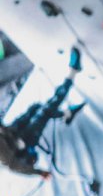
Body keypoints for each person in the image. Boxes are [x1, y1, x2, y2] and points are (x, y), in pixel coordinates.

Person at [0, 47, 86, 179]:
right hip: (23, 142)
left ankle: (66, 115)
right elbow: (14, 166)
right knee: (45, 111)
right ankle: (74, 71)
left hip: (11, 130)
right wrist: (40, 173)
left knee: (35, 108)